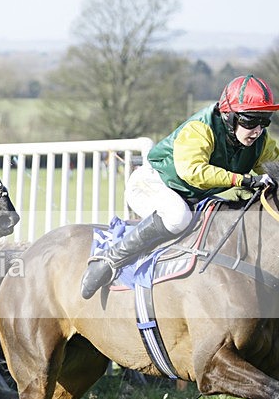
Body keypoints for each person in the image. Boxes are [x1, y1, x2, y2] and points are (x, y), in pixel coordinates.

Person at [80, 74, 279, 299]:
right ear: (228, 115)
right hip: (150, 184)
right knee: (177, 216)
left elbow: (275, 165)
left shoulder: (259, 141)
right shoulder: (200, 129)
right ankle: (109, 260)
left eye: (264, 121)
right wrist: (241, 180)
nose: (257, 130)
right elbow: (192, 171)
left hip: (189, 197)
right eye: (250, 121)